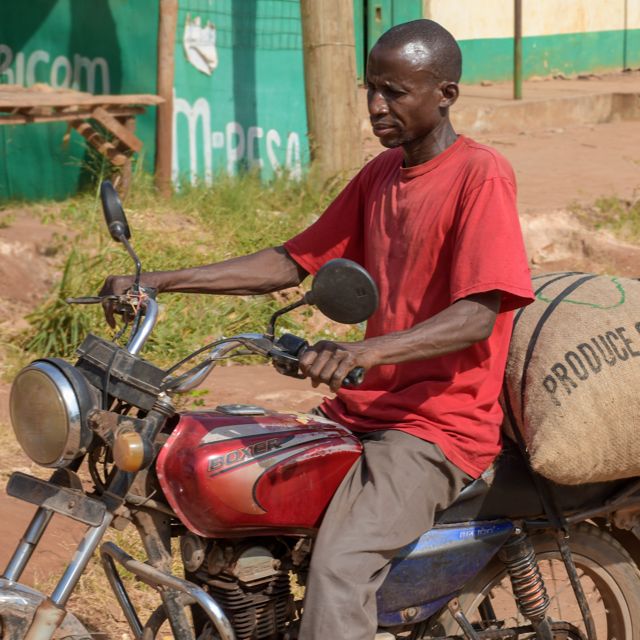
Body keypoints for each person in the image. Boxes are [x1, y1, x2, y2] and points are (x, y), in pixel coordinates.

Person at [101, 19, 534, 640]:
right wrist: (162, 280)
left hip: (433, 429)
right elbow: (291, 260)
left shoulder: (479, 175)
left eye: (395, 91)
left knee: (339, 567)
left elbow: (478, 313)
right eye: (370, 89)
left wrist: (363, 349)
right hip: (359, 412)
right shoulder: (380, 174)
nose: (377, 106)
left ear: (445, 94)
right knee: (229, 493)